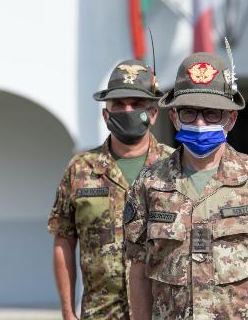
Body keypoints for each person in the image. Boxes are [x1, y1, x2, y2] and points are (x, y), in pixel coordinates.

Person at [124, 52, 248, 319]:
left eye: (211, 114)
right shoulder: (149, 183)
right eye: (189, 113)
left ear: (230, 119)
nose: (199, 123)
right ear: (174, 117)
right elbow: (138, 270)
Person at [48, 60, 173, 319]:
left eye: (136, 104)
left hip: (163, 311)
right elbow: (64, 241)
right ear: (106, 115)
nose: (127, 111)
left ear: (153, 113)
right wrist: (67, 312)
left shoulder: (175, 168)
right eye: (118, 104)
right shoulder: (80, 169)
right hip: (101, 312)